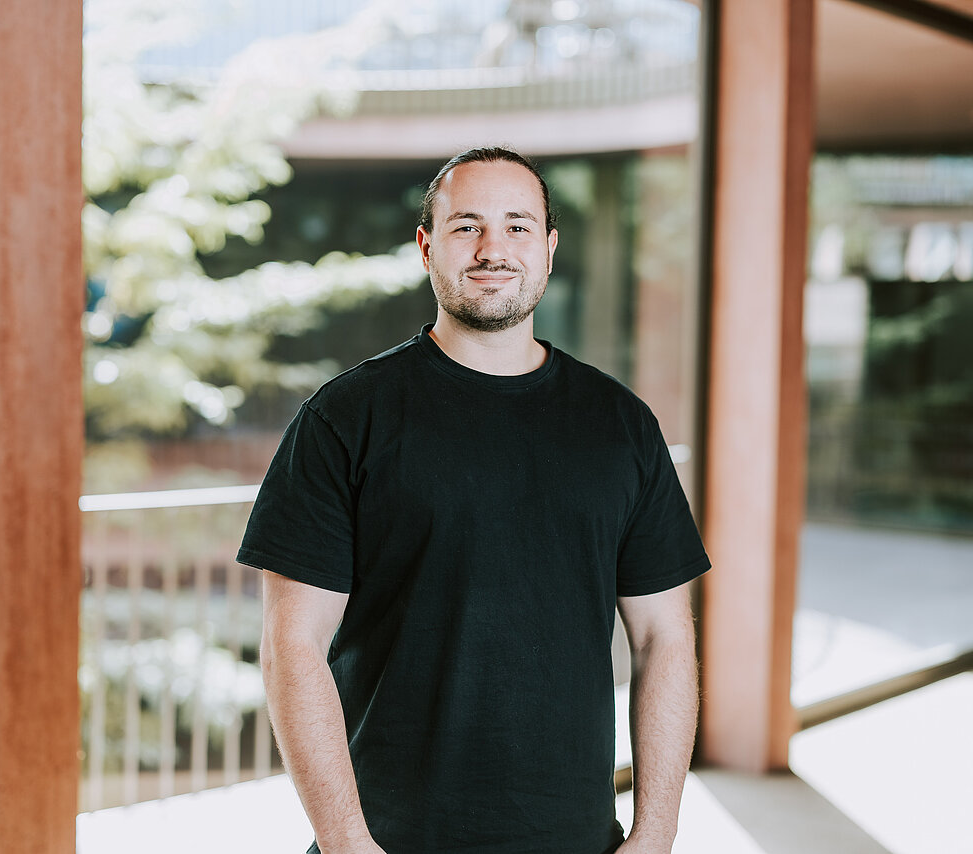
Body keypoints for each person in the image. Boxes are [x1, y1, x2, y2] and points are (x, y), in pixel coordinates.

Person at [238, 147, 710, 854]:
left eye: (518, 227)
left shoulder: (620, 425)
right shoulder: (345, 419)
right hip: (389, 843)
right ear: (427, 246)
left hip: (578, 841)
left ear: (549, 251)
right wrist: (345, 841)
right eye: (467, 227)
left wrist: (657, 833)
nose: (494, 249)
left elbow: (664, 637)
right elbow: (291, 646)